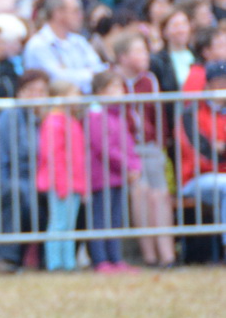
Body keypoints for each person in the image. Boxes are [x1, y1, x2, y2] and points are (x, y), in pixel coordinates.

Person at [113, 34, 177, 268]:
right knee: (140, 193)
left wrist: (160, 143)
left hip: (150, 145)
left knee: (159, 195)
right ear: (123, 57)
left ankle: (167, 255)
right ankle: (149, 256)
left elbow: (157, 115)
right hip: (124, 149)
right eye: (138, 51)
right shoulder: (112, 80)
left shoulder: (149, 80)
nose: (145, 56)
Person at [0, 68, 49, 271]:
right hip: (15, 179)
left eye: (42, 91)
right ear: (20, 93)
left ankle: (56, 258)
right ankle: (5, 257)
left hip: (45, 180)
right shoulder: (9, 117)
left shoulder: (51, 119)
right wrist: (3, 183)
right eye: (32, 90)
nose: (37, 96)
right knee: (16, 193)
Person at [83, 70, 140, 272]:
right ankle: (100, 260)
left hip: (117, 176)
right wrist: (128, 165)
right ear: (100, 91)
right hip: (101, 176)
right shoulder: (96, 115)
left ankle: (116, 259)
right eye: (113, 87)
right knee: (100, 219)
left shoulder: (117, 115)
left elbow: (127, 143)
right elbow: (103, 147)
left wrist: (135, 165)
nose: (119, 91)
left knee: (115, 219)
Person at [174, 60, 226, 252]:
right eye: (220, 81)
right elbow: (199, 153)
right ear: (209, 83)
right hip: (196, 178)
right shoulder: (191, 114)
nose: (223, 86)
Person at [37, 79, 87, 271]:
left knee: (68, 225)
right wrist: (62, 184)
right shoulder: (54, 122)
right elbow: (53, 156)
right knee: (58, 224)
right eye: (74, 92)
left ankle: (68, 263)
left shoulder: (70, 121)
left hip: (72, 183)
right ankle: (55, 263)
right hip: (61, 184)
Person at [25, 0, 106, 89]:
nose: (81, 16)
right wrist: (90, 73)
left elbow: (100, 71)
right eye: (75, 11)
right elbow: (58, 79)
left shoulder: (79, 41)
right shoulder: (38, 44)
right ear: (58, 13)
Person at [150, 8, 196, 91]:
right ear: (164, 31)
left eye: (184, 24)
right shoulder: (158, 61)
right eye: (175, 26)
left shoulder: (197, 54)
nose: (181, 30)